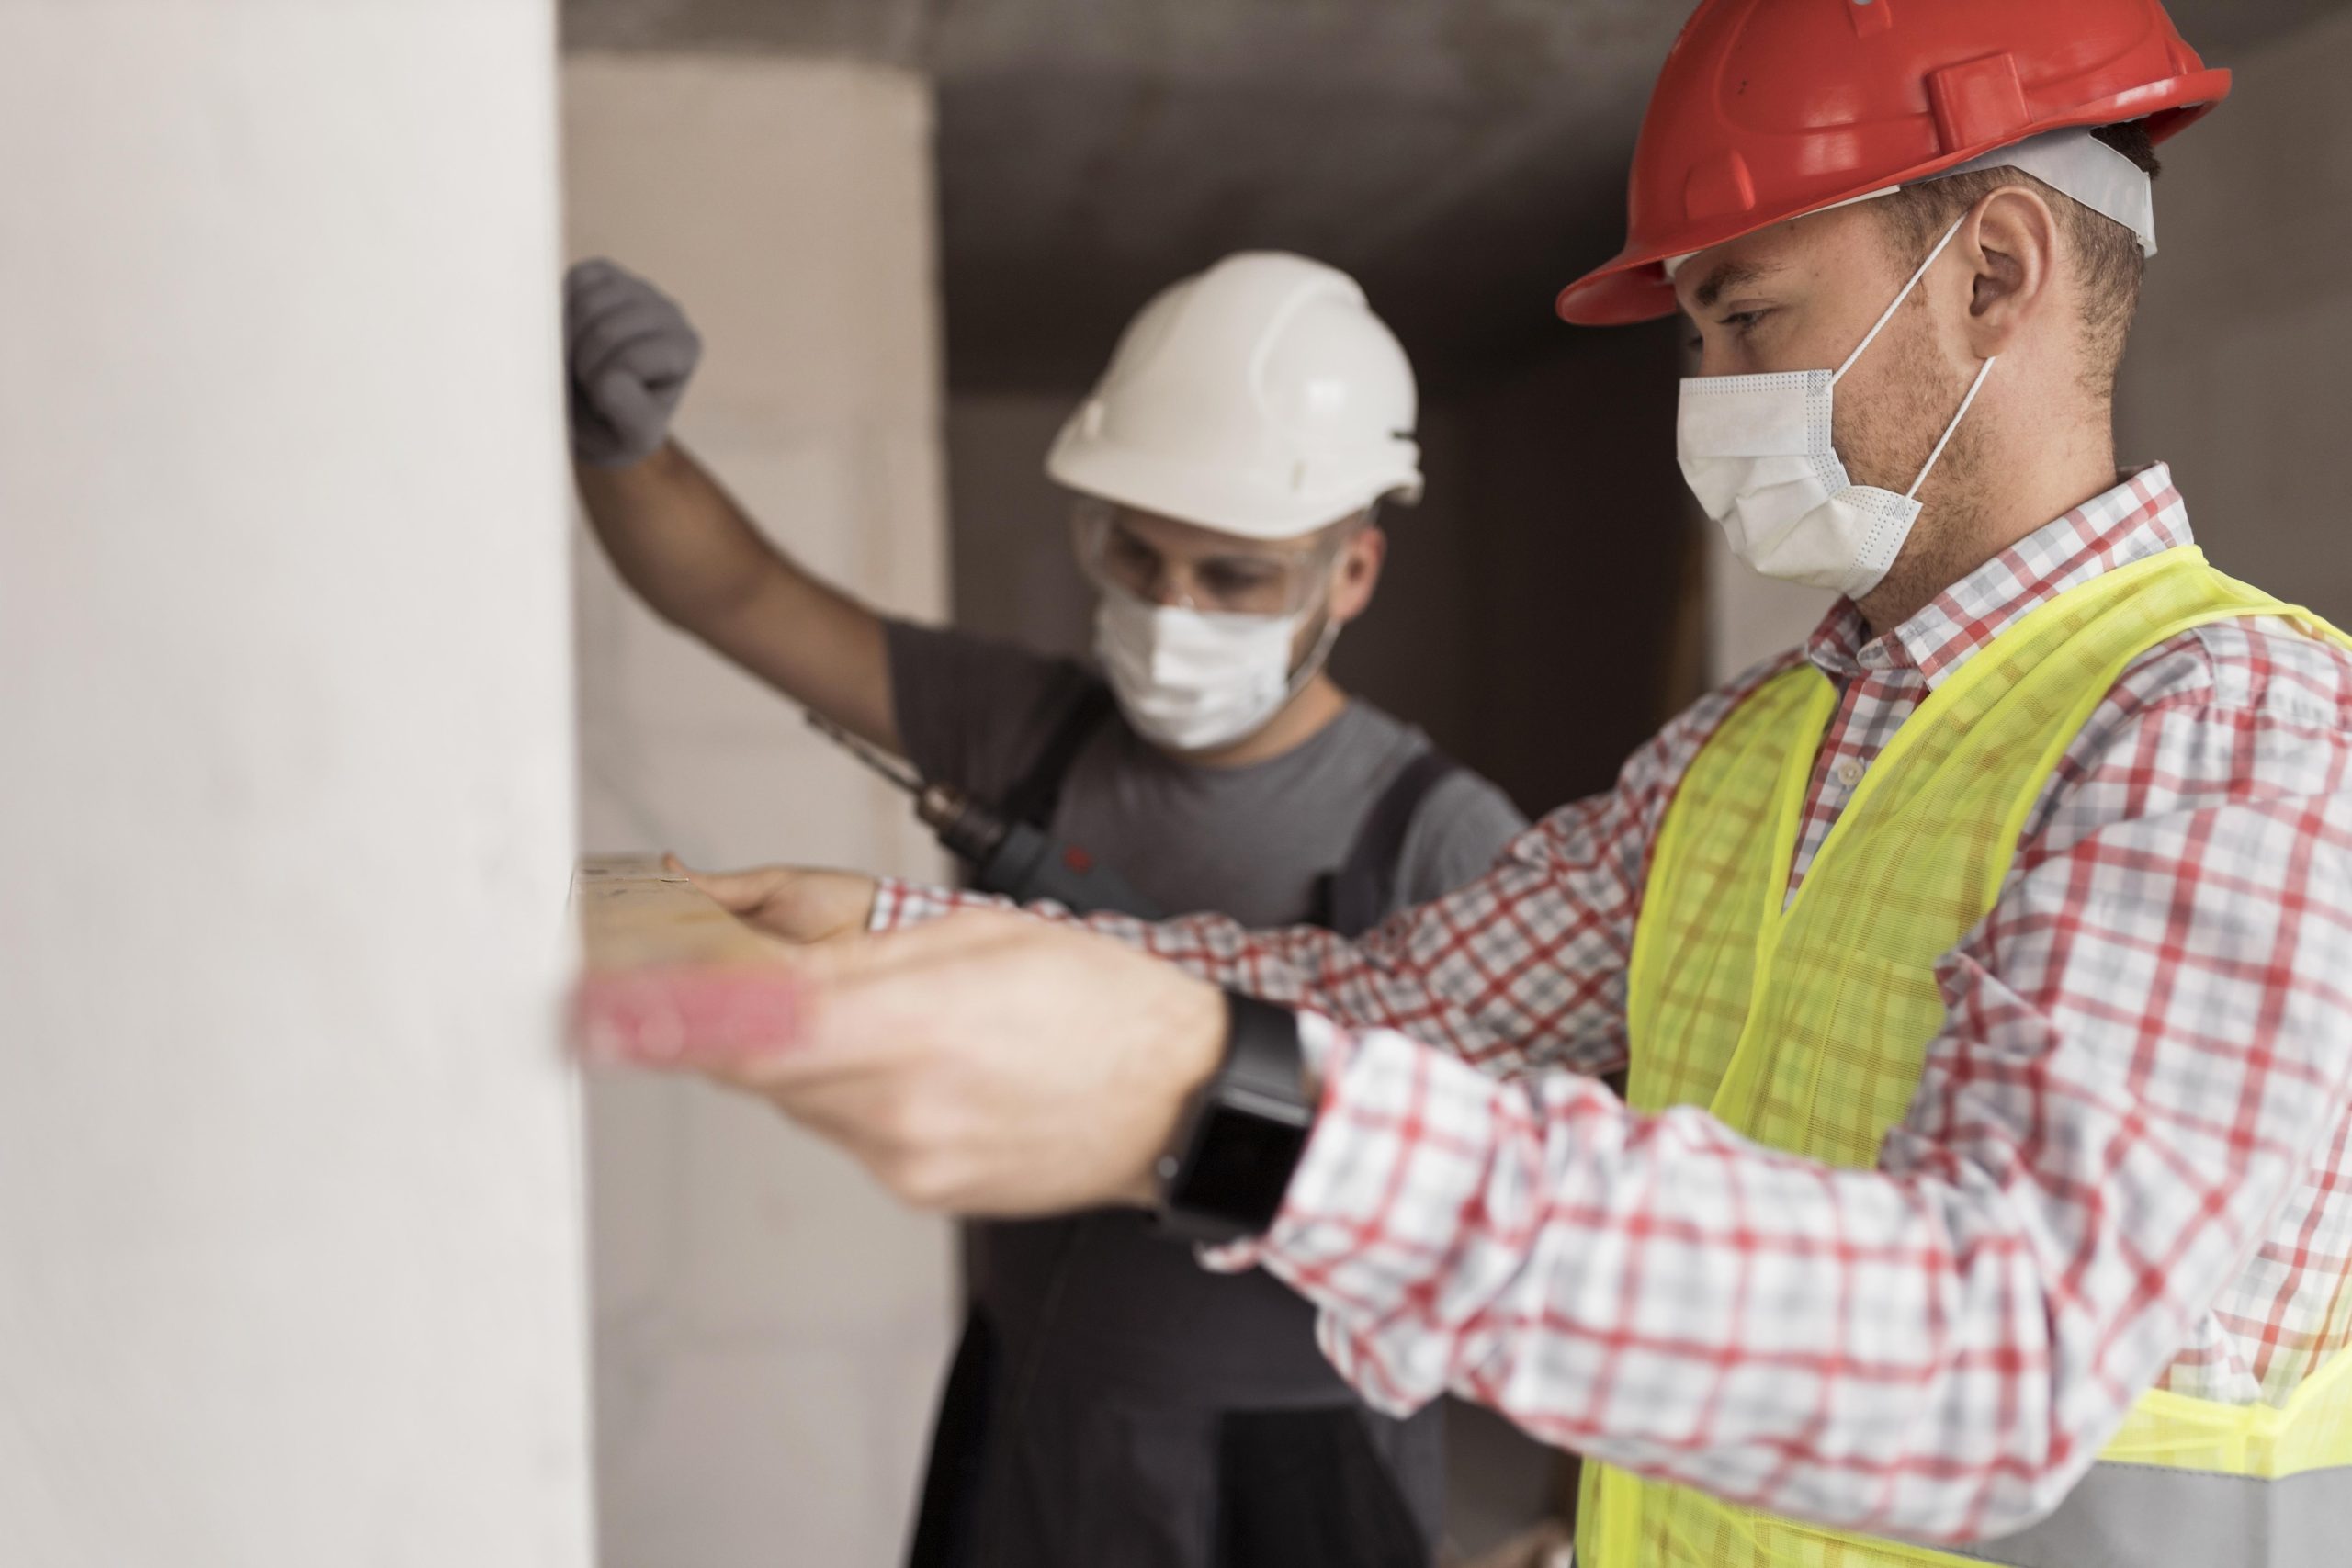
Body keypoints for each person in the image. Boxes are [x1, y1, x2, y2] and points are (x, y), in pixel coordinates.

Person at [592, 2, 2352, 1565]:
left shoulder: (2226, 728)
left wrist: (1219, 1108)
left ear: (1995, 272)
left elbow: (2001, 1358)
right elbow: (1399, 1005)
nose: (1706, 393)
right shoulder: (1754, 749)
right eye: (1691, 339)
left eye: (1744, 318)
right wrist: (897, 940)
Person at [564, 249, 1527, 1567]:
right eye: (1134, 552)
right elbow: (732, 590)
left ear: (1349, 573)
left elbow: (1555, 1195)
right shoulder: (1033, 732)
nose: (1171, 608)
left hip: (1307, 1442)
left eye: (1234, 576)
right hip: (1033, 1404)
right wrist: (629, 448)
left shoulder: (1441, 839)